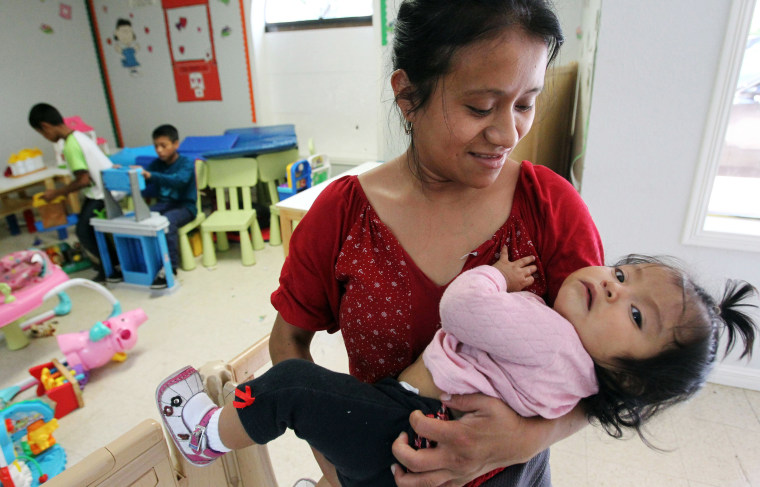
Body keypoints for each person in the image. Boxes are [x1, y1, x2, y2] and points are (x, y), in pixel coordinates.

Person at [156, 254, 758, 487]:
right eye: (622, 273)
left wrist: (497, 275)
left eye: (633, 312)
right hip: (414, 429)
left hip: (404, 427)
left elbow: (461, 308)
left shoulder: (555, 341)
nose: (606, 282)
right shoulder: (578, 372)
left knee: (289, 387)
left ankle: (204, 434)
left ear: (626, 376)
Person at [28, 103, 118, 283]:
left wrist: (56, 193)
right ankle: (112, 263)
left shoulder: (70, 146)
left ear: (45, 126)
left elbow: (84, 180)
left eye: (42, 133)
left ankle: (110, 269)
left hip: (104, 195)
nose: (45, 137)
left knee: (83, 230)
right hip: (107, 190)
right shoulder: (79, 137)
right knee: (88, 227)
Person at [135, 124, 196, 288]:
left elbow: (179, 181)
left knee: (167, 221)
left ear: (175, 144)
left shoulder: (186, 163)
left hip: (186, 207)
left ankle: (169, 268)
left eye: (164, 145)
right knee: (140, 217)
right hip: (164, 205)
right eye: (156, 146)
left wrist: (151, 176)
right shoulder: (156, 164)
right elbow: (146, 178)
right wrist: (132, 172)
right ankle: (147, 262)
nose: (159, 150)